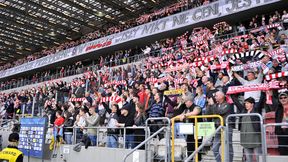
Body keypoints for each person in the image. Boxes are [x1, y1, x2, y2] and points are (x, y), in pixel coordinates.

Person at [206, 91, 233, 162]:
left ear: (221, 96)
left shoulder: (227, 104)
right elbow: (207, 114)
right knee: (215, 148)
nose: (215, 97)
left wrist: (212, 105)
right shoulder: (214, 105)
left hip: (226, 127)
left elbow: (219, 112)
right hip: (218, 128)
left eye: (216, 96)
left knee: (228, 147)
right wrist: (209, 105)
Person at [275, 91, 288, 155]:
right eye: (281, 98)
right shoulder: (278, 108)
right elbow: (277, 119)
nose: (283, 99)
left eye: (285, 97)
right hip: (281, 133)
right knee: (282, 152)